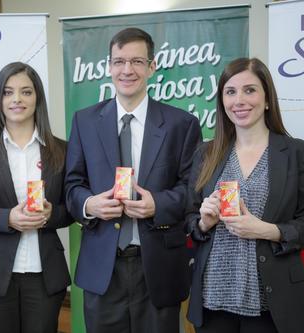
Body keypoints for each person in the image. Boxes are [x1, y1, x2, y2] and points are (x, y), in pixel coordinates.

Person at [65, 27, 202, 333]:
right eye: (119, 61)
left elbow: (193, 191)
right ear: (109, 66)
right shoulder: (84, 121)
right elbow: (71, 186)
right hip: (103, 268)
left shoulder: (182, 124)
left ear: (152, 67)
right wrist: (90, 204)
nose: (127, 70)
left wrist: (159, 205)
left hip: (157, 268)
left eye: (137, 61)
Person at [185, 57, 304, 333]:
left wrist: (267, 230)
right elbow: (189, 218)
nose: (239, 100)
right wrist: (203, 221)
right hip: (214, 299)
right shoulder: (206, 153)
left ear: (267, 98)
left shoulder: (299, 153)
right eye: (231, 91)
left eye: (250, 90)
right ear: (222, 101)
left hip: (272, 303)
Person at [0, 62, 72, 333]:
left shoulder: (62, 150)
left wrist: (51, 213)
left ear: (37, 98)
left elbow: (73, 210)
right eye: (8, 92)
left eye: (26, 92)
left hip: (45, 274)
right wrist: (7, 218)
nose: (17, 99)